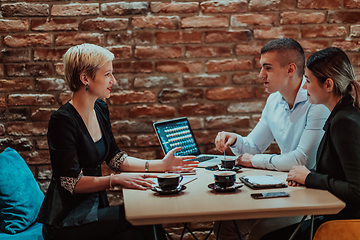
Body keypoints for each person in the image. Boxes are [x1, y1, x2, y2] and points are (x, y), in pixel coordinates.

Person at [36, 43, 198, 240]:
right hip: (68, 219)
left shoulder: (100, 109)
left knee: (143, 226)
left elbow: (115, 158)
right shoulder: (62, 121)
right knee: (144, 221)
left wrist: (162, 165)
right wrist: (114, 180)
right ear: (85, 78)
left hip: (95, 209)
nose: (114, 80)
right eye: (107, 74)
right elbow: (71, 183)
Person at [213, 38, 330, 239]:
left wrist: (255, 160)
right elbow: (254, 146)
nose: (261, 75)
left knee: (262, 231)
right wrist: (235, 140)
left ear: (290, 69)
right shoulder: (274, 100)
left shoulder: (316, 101)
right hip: (287, 188)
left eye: (267, 68)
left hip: (312, 195)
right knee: (225, 224)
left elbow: (302, 160)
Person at [261, 47, 360, 239]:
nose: (304, 87)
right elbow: (338, 173)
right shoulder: (342, 115)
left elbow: (357, 190)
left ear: (328, 84)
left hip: (344, 225)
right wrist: (305, 175)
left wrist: (309, 178)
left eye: (308, 80)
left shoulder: (344, 122)